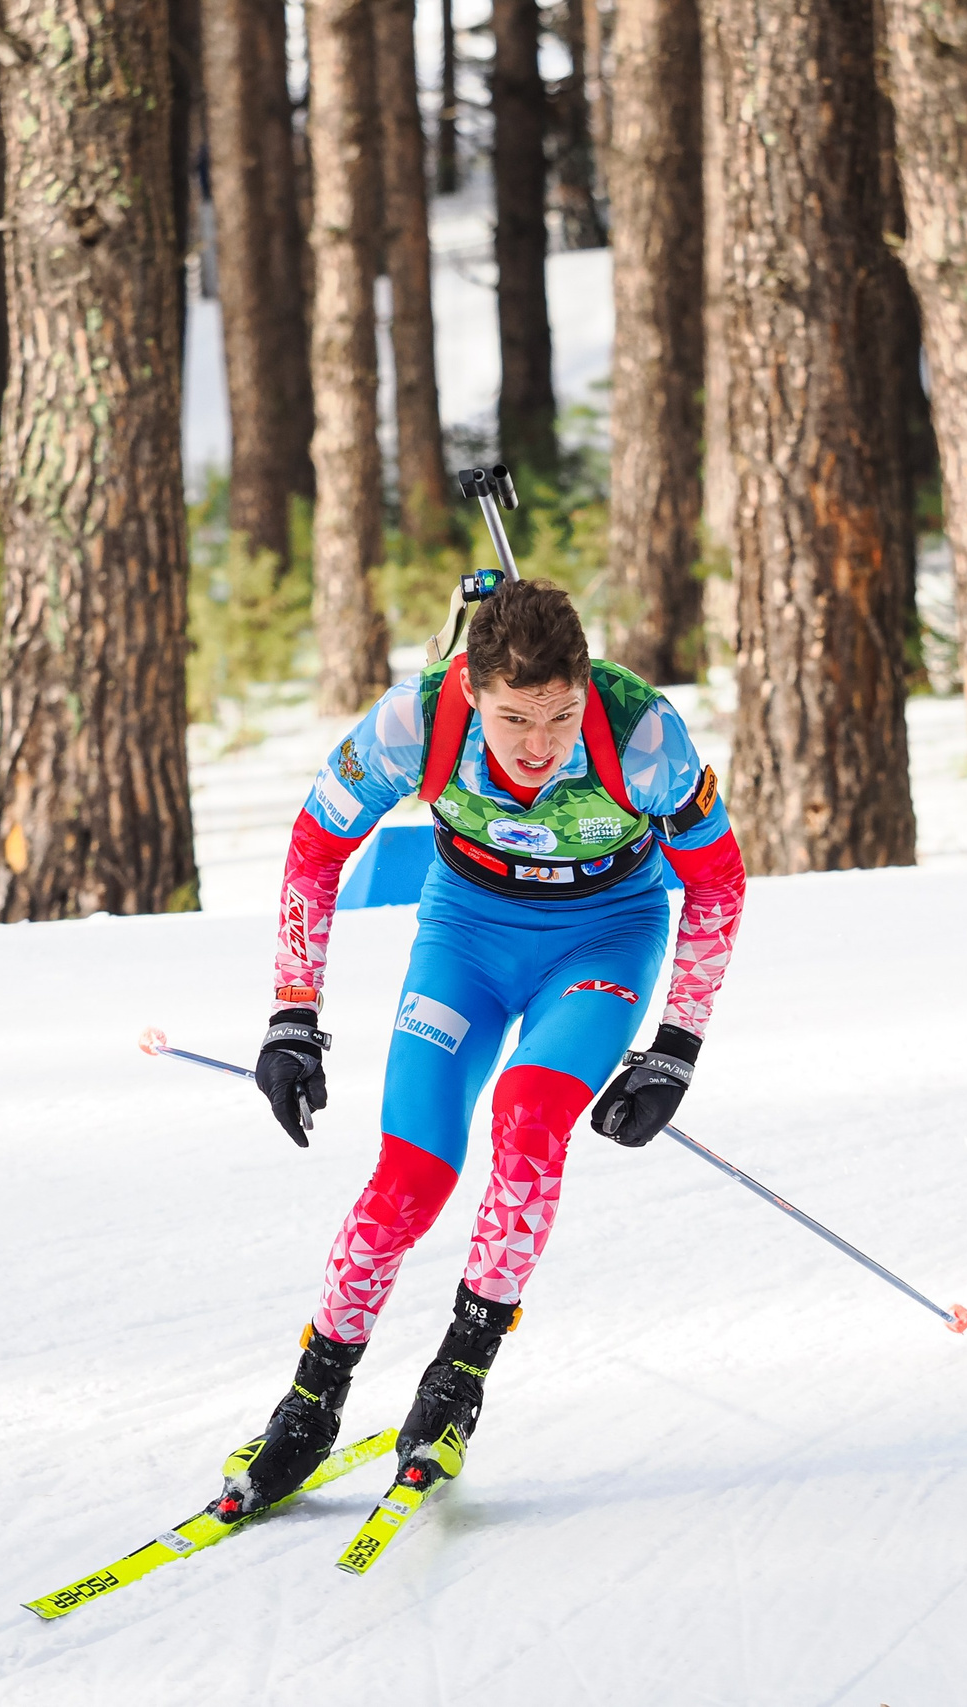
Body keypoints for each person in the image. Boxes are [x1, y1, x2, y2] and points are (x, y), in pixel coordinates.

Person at [219, 578, 748, 1517]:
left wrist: (676, 1044)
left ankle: (457, 1379)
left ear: (588, 686)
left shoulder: (643, 734)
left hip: (602, 937)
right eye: (513, 719)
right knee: (410, 1172)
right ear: (472, 688)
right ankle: (309, 1403)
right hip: (466, 932)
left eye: (561, 715)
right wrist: (292, 1015)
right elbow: (314, 847)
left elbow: (718, 879)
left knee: (529, 1114)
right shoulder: (414, 721)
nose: (540, 747)